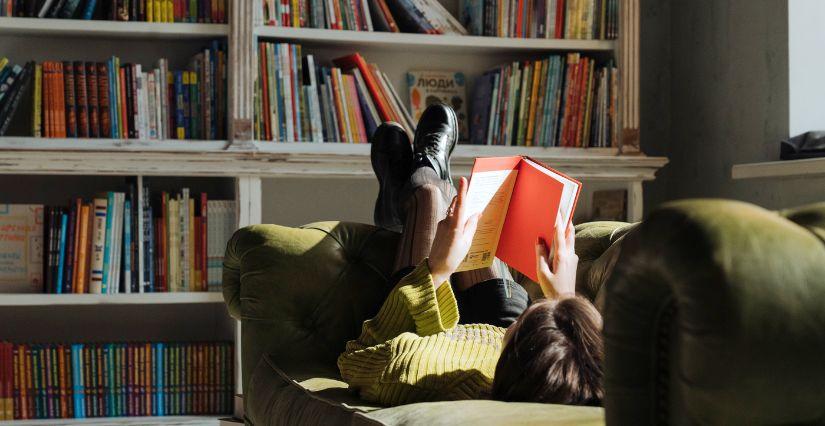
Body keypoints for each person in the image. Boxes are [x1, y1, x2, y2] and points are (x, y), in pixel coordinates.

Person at [337, 104, 604, 407]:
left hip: (428, 339)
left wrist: (437, 269)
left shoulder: (416, 371)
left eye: (533, 313)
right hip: (520, 350)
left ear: (515, 350)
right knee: (470, 217)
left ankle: (417, 185)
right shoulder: (570, 380)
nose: (539, 303)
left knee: (431, 197)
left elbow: (356, 361)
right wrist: (563, 298)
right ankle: (417, 186)